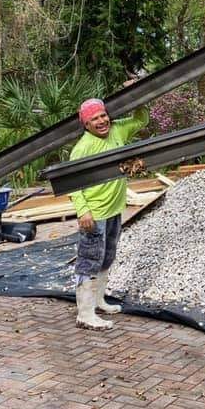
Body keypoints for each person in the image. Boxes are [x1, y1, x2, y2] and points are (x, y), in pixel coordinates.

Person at [68, 95, 149, 330]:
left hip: (114, 209)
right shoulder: (82, 148)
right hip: (95, 213)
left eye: (103, 115)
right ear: (86, 124)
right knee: (89, 259)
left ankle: (99, 300)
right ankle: (85, 313)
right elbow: (71, 183)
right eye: (95, 118)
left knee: (107, 256)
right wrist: (83, 212)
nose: (102, 121)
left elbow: (141, 119)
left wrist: (138, 96)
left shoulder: (118, 130)